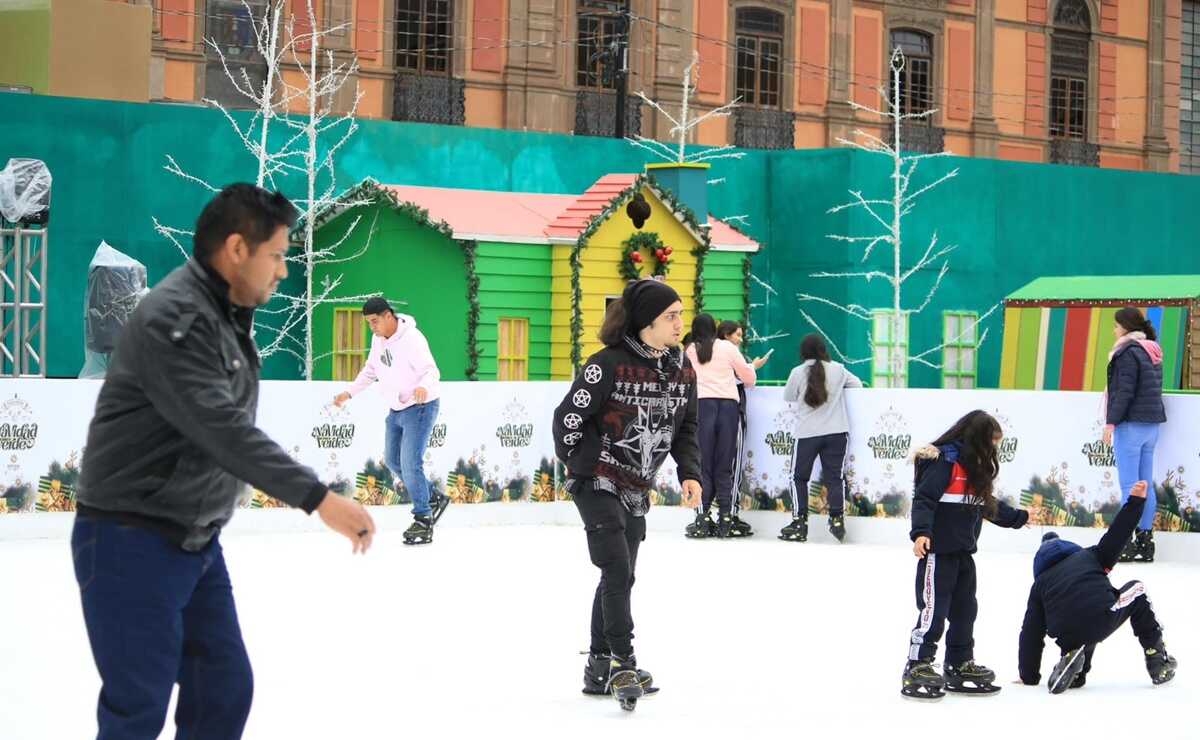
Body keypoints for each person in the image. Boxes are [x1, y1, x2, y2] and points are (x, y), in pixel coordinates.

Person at [73, 184, 377, 740]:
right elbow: (223, 430)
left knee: (223, 688)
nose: (284, 270)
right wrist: (320, 499)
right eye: (278, 255)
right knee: (137, 706)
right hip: (129, 537)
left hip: (191, 540)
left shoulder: (222, 311)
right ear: (237, 248)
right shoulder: (178, 320)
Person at [552, 278, 702, 711]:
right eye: (670, 316)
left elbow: (686, 427)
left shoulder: (682, 369)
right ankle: (624, 661)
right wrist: (578, 460)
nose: (679, 323)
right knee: (616, 569)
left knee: (621, 575)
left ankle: (599, 665)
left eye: (680, 314)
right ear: (644, 323)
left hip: (637, 485)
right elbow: (568, 417)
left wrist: (689, 472)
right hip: (595, 480)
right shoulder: (606, 365)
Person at [900, 410, 1029, 701]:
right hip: (938, 554)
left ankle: (958, 664)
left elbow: (987, 506)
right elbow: (924, 499)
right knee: (934, 612)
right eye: (991, 443)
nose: (993, 450)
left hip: (963, 555)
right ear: (977, 439)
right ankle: (917, 664)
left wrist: (1019, 517)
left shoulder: (973, 469)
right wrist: (921, 532)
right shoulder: (943, 462)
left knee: (965, 611)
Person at [1017, 481, 1177, 694]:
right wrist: (1136, 501)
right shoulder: (1090, 556)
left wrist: (1028, 676)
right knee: (1136, 590)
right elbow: (1119, 533)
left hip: (1068, 634)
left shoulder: (1039, 585)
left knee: (1077, 625)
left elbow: (1031, 633)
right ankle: (1158, 660)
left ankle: (1075, 668)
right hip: (1100, 616)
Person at [333, 297, 447, 545]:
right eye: (368, 323)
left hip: (420, 406)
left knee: (410, 463)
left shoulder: (412, 339)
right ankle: (433, 496)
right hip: (396, 408)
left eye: (374, 321)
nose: (371, 327)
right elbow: (371, 370)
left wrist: (424, 387)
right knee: (394, 461)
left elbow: (431, 371)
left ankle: (423, 520)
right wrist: (349, 392)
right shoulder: (378, 340)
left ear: (388, 315)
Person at [683, 314, 764, 539]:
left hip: (700, 408)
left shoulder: (690, 350)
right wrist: (750, 373)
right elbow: (748, 377)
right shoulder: (727, 348)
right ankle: (726, 517)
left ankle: (702, 517)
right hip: (728, 408)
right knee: (725, 463)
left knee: (703, 464)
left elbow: (681, 380)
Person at [779, 334, 861, 543]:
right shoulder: (839, 369)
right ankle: (836, 520)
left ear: (803, 352)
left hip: (807, 433)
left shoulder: (797, 372)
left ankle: (799, 523)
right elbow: (857, 384)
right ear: (823, 349)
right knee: (835, 477)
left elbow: (788, 396)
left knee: (798, 477)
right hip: (836, 431)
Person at [1103, 307, 1166, 563]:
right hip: (1152, 426)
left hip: (1131, 426)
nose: (1114, 330)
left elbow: (1124, 393)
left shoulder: (1128, 353)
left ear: (1126, 327)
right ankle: (1145, 541)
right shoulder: (1152, 349)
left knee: (1130, 486)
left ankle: (1126, 542)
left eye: (1117, 325)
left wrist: (1110, 424)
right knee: (1145, 484)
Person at [716, 320, 769, 536]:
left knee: (715, 465)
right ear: (727, 335)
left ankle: (710, 514)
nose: (740, 339)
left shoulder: (709, 353)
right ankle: (729, 513)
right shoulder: (728, 355)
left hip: (711, 415)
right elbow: (743, 380)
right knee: (730, 465)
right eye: (737, 335)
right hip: (731, 415)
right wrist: (752, 368)